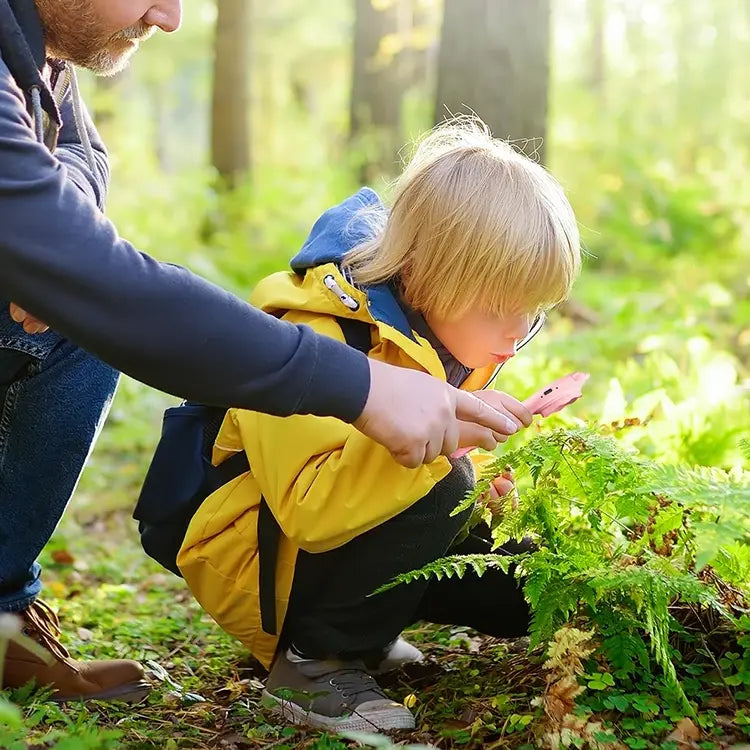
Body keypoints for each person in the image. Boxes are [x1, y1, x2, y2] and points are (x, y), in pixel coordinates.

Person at [0, 0, 521, 704]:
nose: (171, 16)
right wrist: (362, 386)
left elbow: (76, 152)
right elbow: (113, 290)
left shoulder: (36, 55)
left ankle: (1, 613)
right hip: (264, 567)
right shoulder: (337, 317)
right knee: (86, 305)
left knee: (72, 319)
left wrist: (50, 241)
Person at [175, 119, 582, 731]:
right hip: (259, 560)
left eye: (532, 310)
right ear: (427, 274)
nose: (514, 332)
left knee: (525, 584)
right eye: (499, 307)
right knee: (440, 480)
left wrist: (489, 478)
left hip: (336, 537)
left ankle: (360, 629)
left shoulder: (441, 332)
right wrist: (453, 450)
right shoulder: (313, 334)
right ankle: (314, 664)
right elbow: (310, 510)